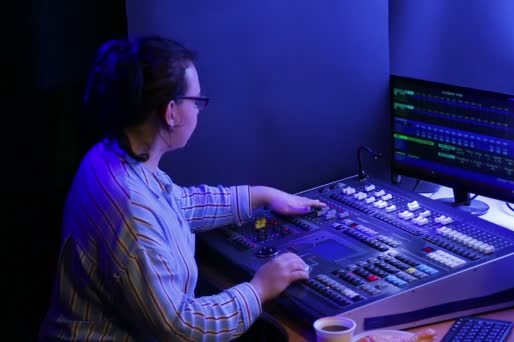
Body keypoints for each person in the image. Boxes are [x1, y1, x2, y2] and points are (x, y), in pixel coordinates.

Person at [39, 35, 326, 341]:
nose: (200, 110)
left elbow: (177, 204)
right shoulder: (131, 210)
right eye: (197, 101)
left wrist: (262, 195)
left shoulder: (111, 156)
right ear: (170, 111)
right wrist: (259, 288)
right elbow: (181, 327)